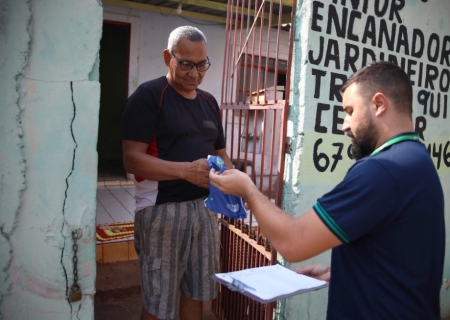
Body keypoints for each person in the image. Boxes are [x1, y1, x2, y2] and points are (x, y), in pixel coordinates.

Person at [209, 61, 445, 319]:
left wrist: (248, 190)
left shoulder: (382, 169)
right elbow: (403, 252)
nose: (344, 125)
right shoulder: (417, 159)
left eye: (350, 111)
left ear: (379, 104)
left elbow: (294, 242)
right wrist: (346, 272)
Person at [122, 26, 233, 320]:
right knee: (159, 302)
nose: (194, 73)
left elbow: (220, 154)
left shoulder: (209, 102)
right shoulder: (149, 96)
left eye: (201, 65)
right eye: (185, 64)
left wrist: (240, 187)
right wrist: (185, 171)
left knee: (197, 292)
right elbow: (132, 160)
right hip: (161, 212)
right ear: (167, 58)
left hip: (205, 210)